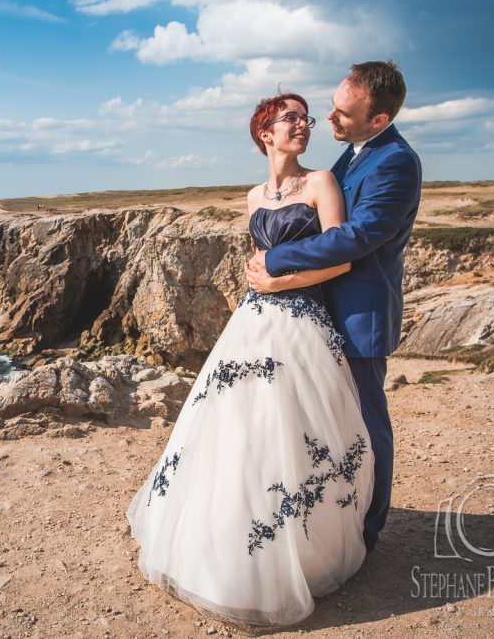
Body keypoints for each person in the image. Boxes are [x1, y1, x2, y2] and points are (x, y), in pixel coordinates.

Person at [125, 91, 375, 627]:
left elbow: (340, 260)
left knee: (290, 428)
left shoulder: (321, 183)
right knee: (236, 427)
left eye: (306, 119)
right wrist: (260, 282)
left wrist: (279, 279)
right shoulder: (253, 195)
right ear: (265, 132)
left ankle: (299, 550)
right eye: (291, 119)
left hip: (300, 321)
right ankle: (225, 539)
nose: (302, 126)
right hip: (253, 320)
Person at [246, 61, 422, 554]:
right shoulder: (354, 156)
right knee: (320, 423)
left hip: (359, 314)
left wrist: (276, 260)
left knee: (366, 422)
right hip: (313, 317)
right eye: (334, 107)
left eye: (344, 113)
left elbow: (356, 236)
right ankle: (327, 515)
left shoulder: (394, 162)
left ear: (379, 119)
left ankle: (369, 527)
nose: (331, 119)